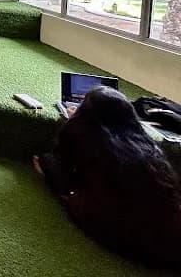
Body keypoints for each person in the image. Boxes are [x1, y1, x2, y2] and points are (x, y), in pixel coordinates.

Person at [34, 87, 181, 270]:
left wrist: (74, 122)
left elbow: (67, 172)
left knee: (46, 162)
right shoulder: (146, 148)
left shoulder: (90, 143)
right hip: (170, 236)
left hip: (134, 239)